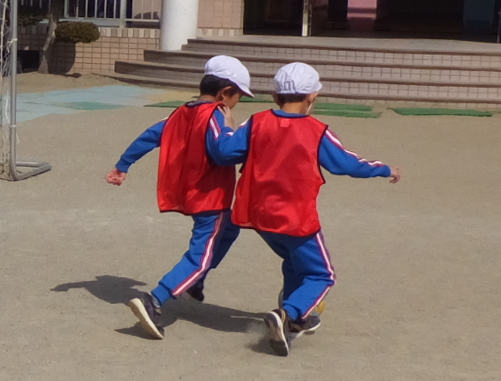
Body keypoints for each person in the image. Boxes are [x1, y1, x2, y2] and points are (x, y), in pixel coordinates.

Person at [216, 61, 400, 356]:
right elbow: (346, 164)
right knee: (322, 274)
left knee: (293, 262)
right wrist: (384, 168)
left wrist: (227, 129)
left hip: (257, 215)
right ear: (313, 97)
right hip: (296, 219)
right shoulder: (316, 131)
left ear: (275, 96)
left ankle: (291, 321)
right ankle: (288, 313)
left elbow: (226, 152)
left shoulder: (255, 122)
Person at [105, 54, 253, 339]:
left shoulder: (180, 112)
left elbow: (149, 136)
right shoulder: (215, 116)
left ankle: (194, 281)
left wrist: (123, 165)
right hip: (210, 198)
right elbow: (223, 153)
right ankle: (154, 299)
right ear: (225, 93)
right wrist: (233, 130)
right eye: (238, 96)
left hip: (192, 194)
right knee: (200, 256)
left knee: (231, 228)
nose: (237, 103)